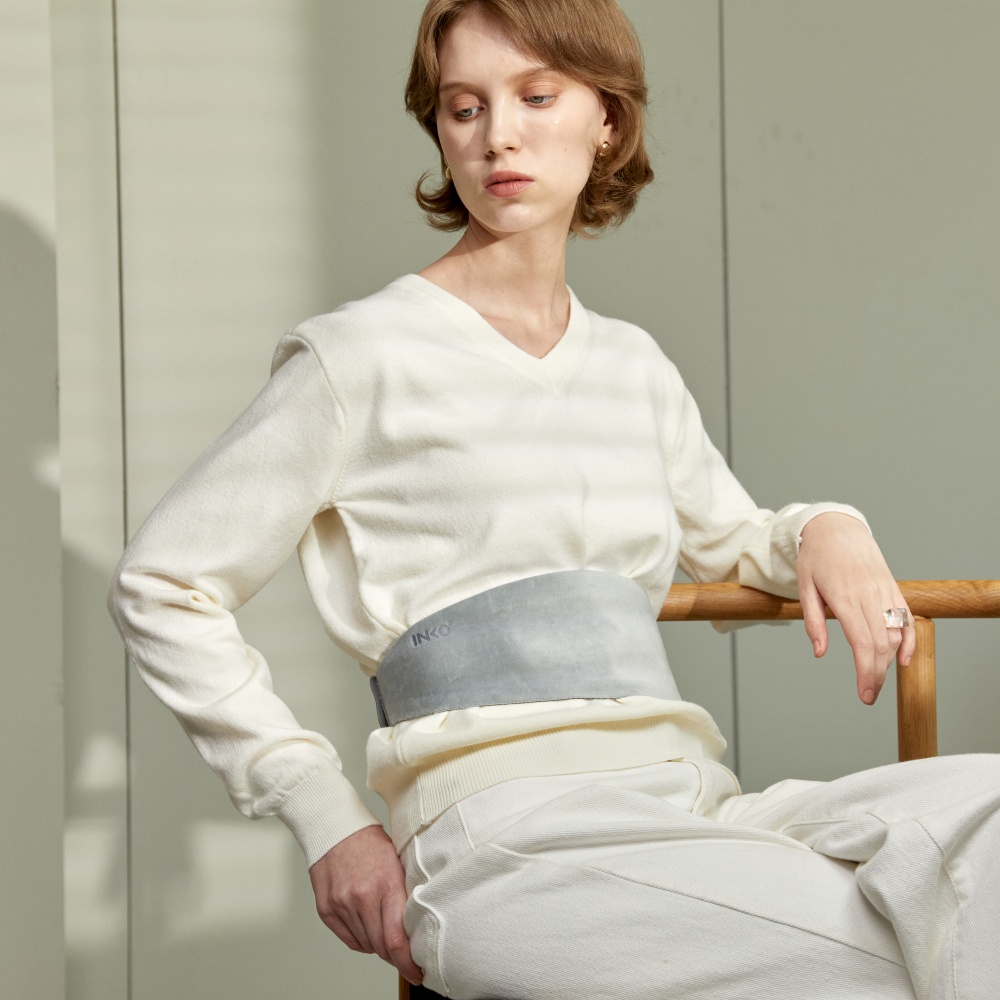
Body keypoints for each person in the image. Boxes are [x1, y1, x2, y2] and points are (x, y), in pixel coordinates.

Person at [109, 1, 999, 997]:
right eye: (464, 108)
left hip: (694, 807)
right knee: (901, 949)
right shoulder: (360, 356)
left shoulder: (630, 365)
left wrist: (827, 526)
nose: (498, 135)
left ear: (605, 120)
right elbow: (162, 582)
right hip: (507, 836)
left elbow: (737, 538)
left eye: (536, 97)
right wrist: (324, 815)